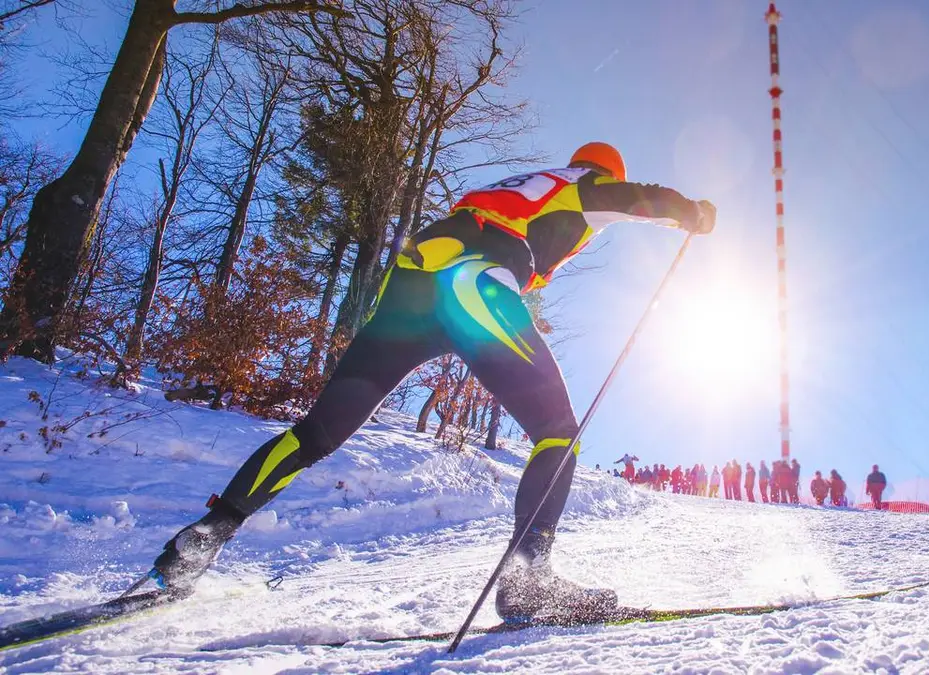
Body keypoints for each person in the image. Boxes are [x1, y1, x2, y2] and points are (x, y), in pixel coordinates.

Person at [145, 143, 717, 622]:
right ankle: (528, 582)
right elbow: (634, 199)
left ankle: (202, 540)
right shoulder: (581, 183)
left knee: (318, 432)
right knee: (558, 432)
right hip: (471, 281)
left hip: (411, 283)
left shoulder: (522, 185)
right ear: (602, 170)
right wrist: (690, 211)